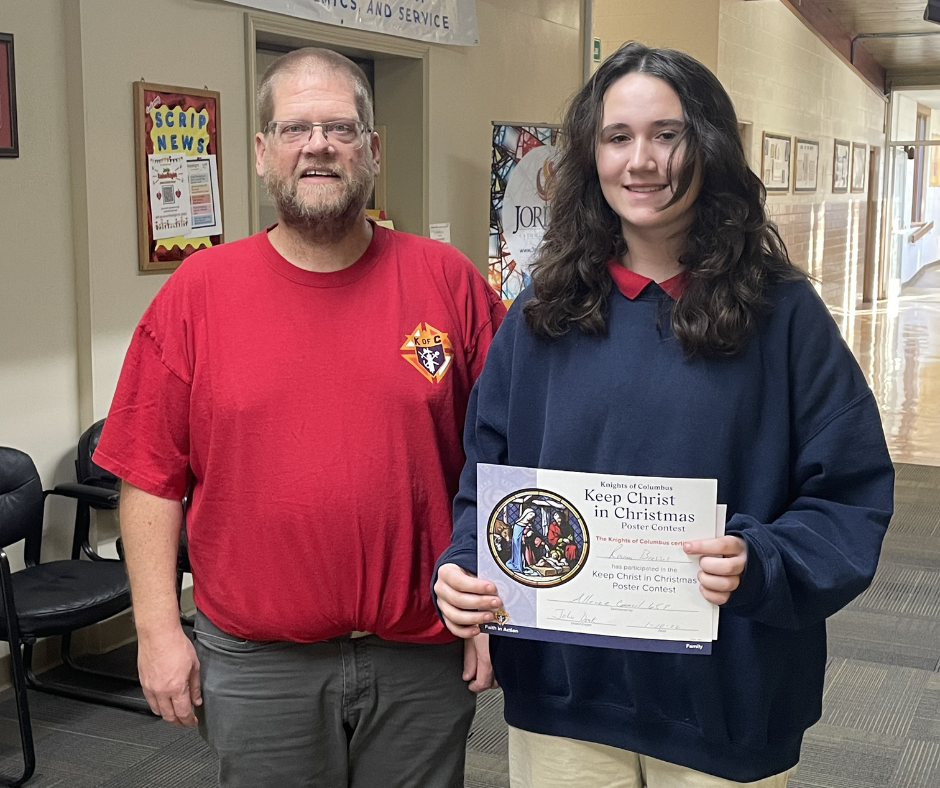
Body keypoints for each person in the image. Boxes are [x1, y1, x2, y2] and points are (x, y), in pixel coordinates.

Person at [433, 42, 894, 788]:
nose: (641, 161)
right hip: (566, 695)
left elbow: (850, 495)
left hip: (726, 700)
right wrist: (466, 565)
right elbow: (487, 477)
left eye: (667, 135)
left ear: (707, 145)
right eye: (618, 137)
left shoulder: (782, 314)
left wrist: (762, 560)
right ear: (591, 156)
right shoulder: (541, 314)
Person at [95, 47, 505, 788]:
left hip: (421, 653)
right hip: (259, 666)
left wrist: (497, 604)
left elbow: (506, 452)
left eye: (340, 128)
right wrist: (155, 630)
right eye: (294, 129)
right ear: (262, 152)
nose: (318, 145)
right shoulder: (198, 293)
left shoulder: (446, 281)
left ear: (372, 149)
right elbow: (149, 475)